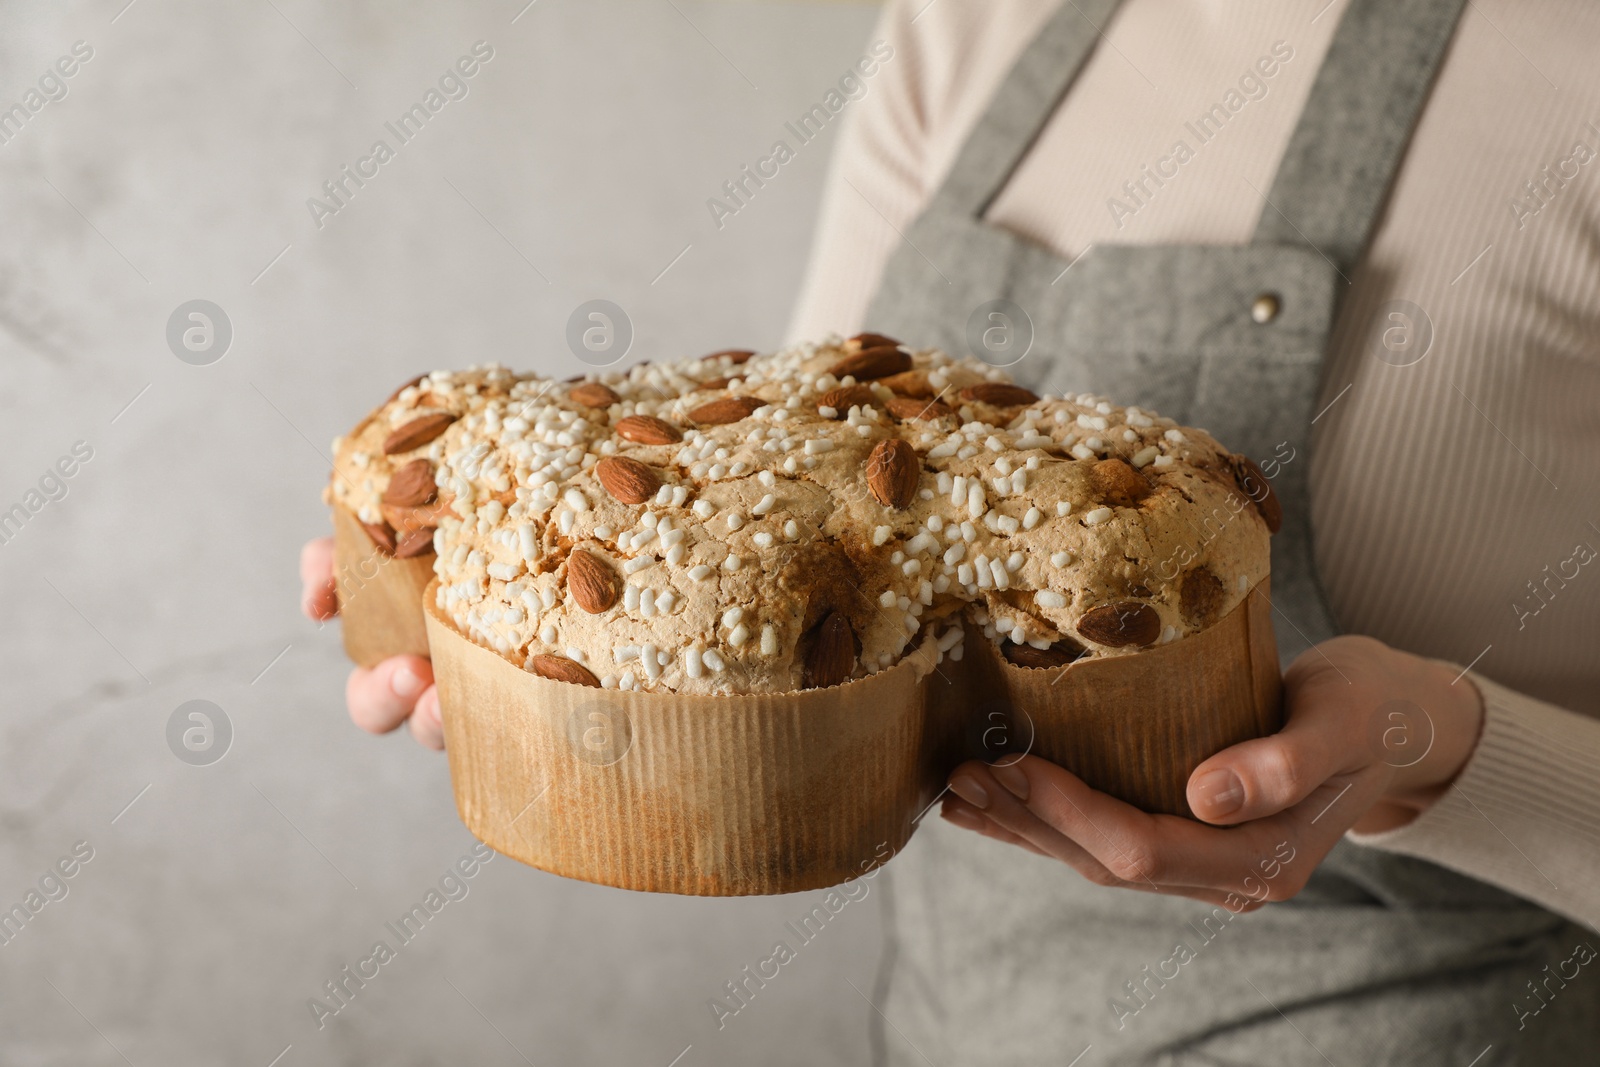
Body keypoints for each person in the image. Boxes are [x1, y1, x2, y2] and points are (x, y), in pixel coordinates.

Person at [303, 0, 1600, 1061]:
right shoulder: (972, 22)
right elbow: (789, 468)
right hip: (949, 1024)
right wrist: (526, 656)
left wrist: (1435, 749)